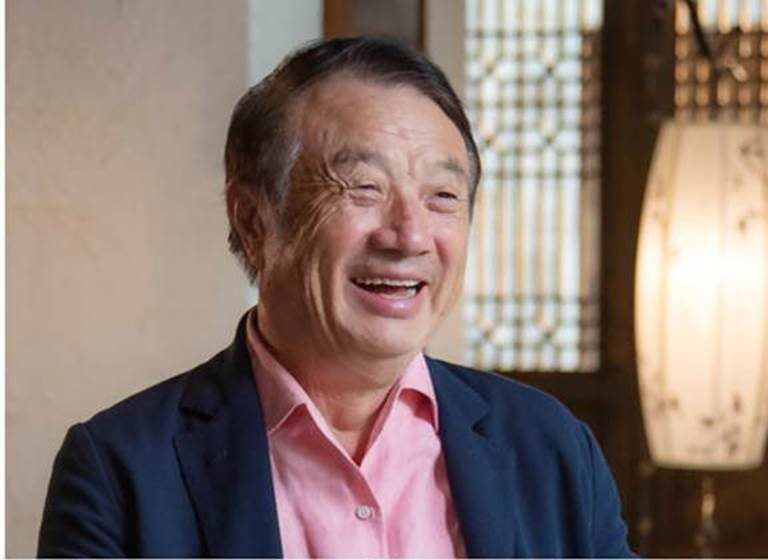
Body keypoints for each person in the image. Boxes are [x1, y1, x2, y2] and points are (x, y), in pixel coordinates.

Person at [38, 36, 634, 558]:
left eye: (443, 197)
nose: (409, 236)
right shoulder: (120, 471)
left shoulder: (551, 448)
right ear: (253, 221)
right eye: (363, 187)